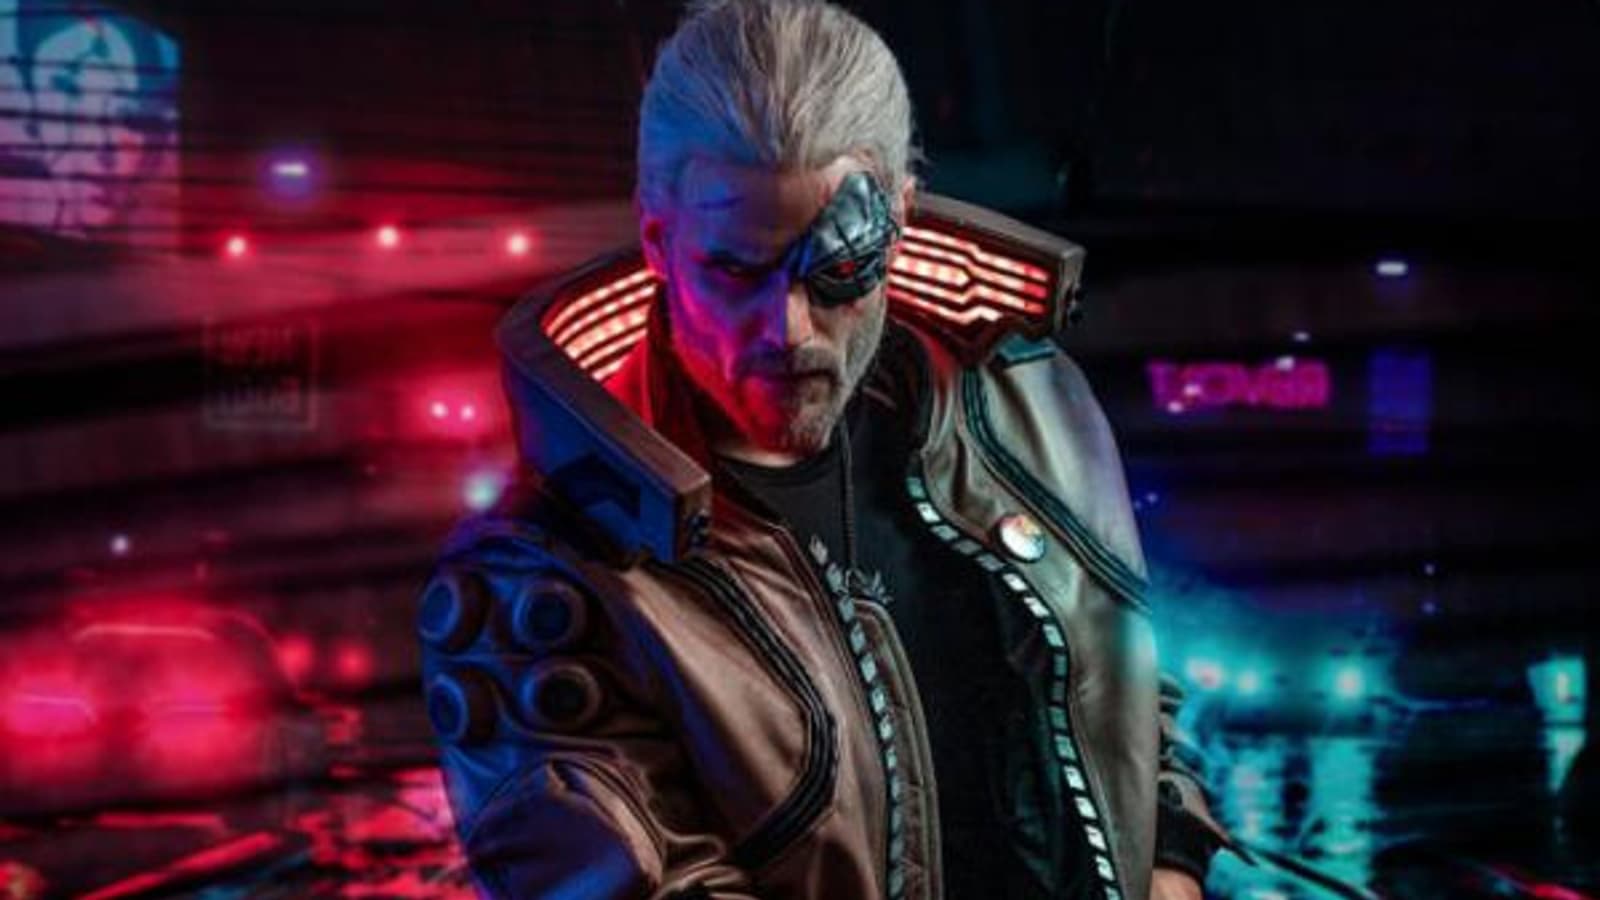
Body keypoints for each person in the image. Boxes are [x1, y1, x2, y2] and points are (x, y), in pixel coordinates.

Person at [417, 1, 1237, 897]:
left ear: (900, 222)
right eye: (735, 270)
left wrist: (1172, 865)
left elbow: (1120, 678)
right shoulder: (542, 577)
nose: (788, 329)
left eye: (837, 268)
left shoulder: (1022, 402)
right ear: (658, 241)